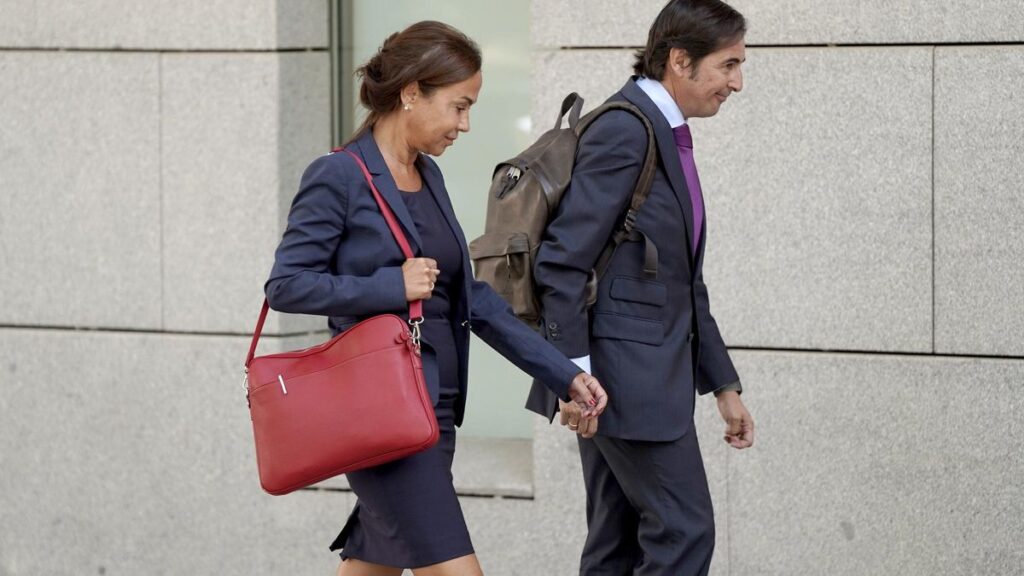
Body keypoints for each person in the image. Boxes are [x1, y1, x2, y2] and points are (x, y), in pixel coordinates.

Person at [265, 21, 608, 576]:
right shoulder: (339, 177)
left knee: (372, 563)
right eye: (458, 106)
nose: (465, 125)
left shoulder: (430, 176)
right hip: (382, 416)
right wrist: (389, 286)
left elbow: (471, 298)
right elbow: (285, 284)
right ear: (410, 93)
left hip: (434, 413)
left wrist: (561, 373)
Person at [525, 1, 755, 574]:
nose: (737, 82)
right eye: (728, 65)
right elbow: (562, 261)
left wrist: (722, 383)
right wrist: (573, 376)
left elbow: (681, 282)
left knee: (617, 544)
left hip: (625, 378)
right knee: (684, 531)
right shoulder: (627, 130)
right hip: (619, 383)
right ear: (680, 59)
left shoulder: (659, 131)